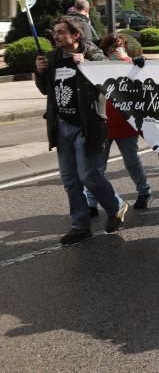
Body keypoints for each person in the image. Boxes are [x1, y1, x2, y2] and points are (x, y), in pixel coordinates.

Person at [35, 16, 128, 245]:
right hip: (62, 126)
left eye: (60, 32)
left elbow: (110, 76)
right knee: (70, 180)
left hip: (88, 126)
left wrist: (87, 64)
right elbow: (46, 90)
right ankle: (80, 226)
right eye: (54, 32)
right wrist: (39, 72)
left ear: (76, 35)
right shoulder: (53, 58)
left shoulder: (92, 53)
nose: (55, 36)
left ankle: (116, 206)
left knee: (89, 175)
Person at [86, 33, 152, 211]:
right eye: (113, 48)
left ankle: (144, 191)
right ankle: (91, 201)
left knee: (131, 161)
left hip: (125, 121)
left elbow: (148, 78)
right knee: (97, 166)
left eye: (120, 47)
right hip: (103, 122)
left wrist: (140, 63)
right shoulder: (98, 67)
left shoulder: (132, 65)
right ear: (105, 51)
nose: (117, 51)